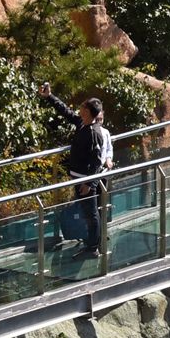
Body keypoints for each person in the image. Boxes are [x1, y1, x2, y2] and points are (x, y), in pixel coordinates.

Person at [41, 82, 113, 256]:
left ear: (88, 111)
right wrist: (49, 97)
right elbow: (66, 111)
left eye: (82, 107)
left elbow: (96, 163)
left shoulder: (94, 133)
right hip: (79, 177)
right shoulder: (82, 124)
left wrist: (89, 183)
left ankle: (92, 247)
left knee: (91, 213)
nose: (79, 110)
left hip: (85, 180)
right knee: (88, 212)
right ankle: (91, 242)